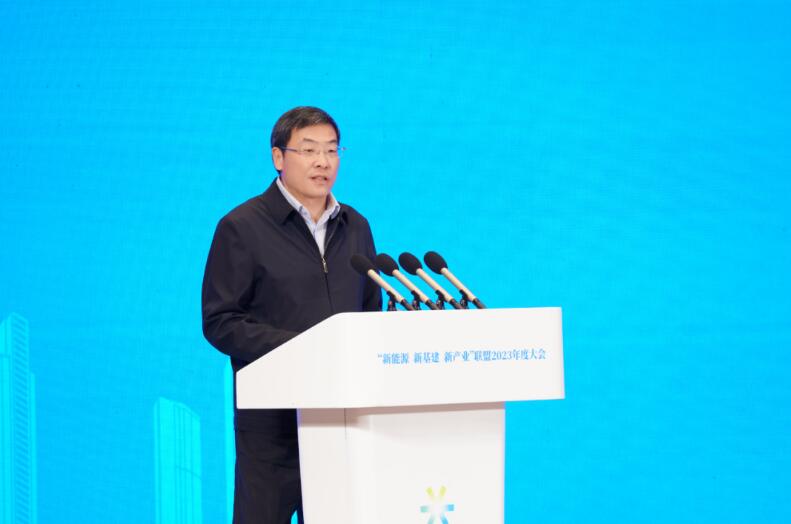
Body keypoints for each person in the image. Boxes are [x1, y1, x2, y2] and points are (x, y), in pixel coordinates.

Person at [202, 106, 382, 524]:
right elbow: (220, 320)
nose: (323, 162)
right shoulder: (242, 227)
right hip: (273, 429)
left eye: (332, 150)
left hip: (343, 422)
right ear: (278, 157)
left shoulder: (356, 226)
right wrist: (300, 349)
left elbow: (370, 314)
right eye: (309, 150)